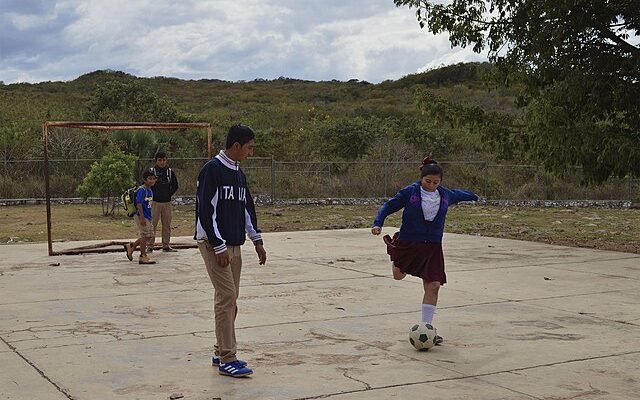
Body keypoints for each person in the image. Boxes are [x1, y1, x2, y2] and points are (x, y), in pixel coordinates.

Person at [371, 156, 478, 344]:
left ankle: (427, 328)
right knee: (398, 275)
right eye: (428, 181)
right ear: (421, 178)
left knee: (434, 285)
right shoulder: (410, 192)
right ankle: (397, 256)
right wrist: (378, 223)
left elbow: (460, 194)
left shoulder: (445, 195)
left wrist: (474, 196)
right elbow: (389, 206)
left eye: (436, 182)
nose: (431, 185)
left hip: (432, 246)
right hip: (410, 243)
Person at [195, 124, 267, 378]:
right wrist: (218, 245)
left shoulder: (239, 173)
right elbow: (206, 211)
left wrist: (256, 239)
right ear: (236, 146)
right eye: (249, 147)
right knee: (226, 297)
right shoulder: (212, 170)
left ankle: (219, 350)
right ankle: (228, 357)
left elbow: (246, 208)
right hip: (215, 245)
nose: (251, 152)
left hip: (234, 244)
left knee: (230, 299)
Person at [125, 169, 157, 265]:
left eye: (153, 179)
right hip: (141, 216)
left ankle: (132, 246)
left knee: (149, 235)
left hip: (148, 216)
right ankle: (142, 255)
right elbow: (139, 204)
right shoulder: (142, 190)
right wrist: (142, 217)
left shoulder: (150, 190)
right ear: (145, 179)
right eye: (149, 179)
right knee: (145, 235)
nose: (152, 181)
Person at [149, 151, 179, 252]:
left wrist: (168, 194)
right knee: (152, 224)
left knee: (166, 225)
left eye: (164, 160)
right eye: (160, 160)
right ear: (156, 161)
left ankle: (166, 245)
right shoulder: (151, 171)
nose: (162, 162)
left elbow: (175, 185)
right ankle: (150, 246)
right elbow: (146, 185)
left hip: (167, 203)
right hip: (155, 203)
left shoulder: (170, 172)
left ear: (166, 160)